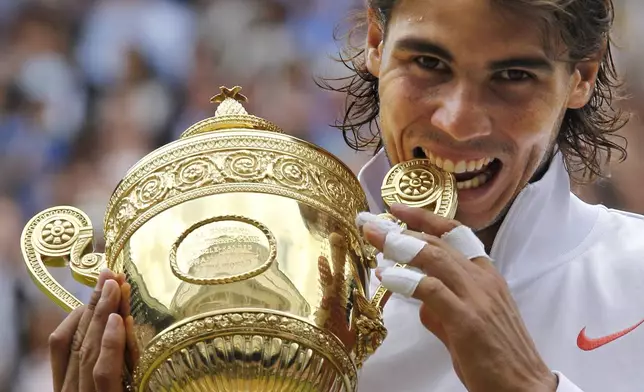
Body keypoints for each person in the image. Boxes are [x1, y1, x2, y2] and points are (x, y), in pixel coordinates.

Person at [47, 0, 644, 391]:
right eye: (429, 63)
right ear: (377, 41)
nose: (460, 122)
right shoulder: (256, 305)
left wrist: (529, 386)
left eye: (513, 76)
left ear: (583, 76)